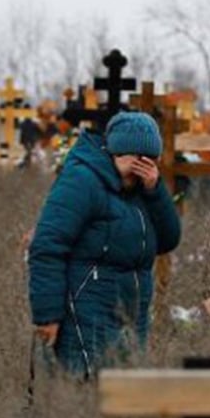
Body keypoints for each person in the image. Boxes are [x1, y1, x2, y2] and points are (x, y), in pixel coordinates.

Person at [27, 112, 181, 378]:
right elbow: (47, 246)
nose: (143, 166)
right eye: (137, 157)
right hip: (87, 309)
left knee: (125, 392)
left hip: (132, 315)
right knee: (86, 389)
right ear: (117, 152)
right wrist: (47, 316)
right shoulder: (83, 180)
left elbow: (168, 240)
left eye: (150, 159)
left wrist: (155, 191)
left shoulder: (142, 191)